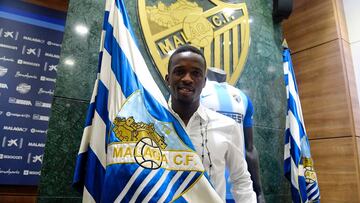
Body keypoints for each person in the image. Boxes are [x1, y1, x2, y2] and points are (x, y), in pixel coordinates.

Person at [165, 45, 256, 203]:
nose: (187, 79)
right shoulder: (149, 123)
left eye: (196, 73)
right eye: (179, 72)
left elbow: (241, 180)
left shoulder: (228, 126)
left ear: (204, 82)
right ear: (168, 79)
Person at [201, 68, 265, 203]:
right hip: (204, 188)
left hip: (240, 190)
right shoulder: (196, 92)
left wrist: (259, 192)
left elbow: (249, 148)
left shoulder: (242, 98)